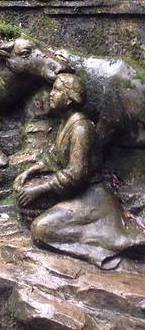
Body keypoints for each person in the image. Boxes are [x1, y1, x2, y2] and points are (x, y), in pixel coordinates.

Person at [14, 74, 145, 268]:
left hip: (91, 196)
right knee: (24, 200)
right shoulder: (66, 122)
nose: (51, 94)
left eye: (57, 90)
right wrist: (30, 172)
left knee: (40, 230)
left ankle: (104, 249)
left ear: (69, 100)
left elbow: (76, 174)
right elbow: (54, 157)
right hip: (74, 191)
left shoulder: (80, 129)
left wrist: (39, 189)